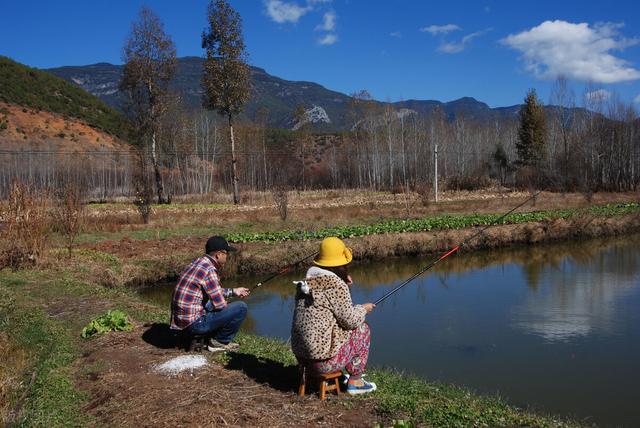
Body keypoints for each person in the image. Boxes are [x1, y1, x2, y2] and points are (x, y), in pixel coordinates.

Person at [291, 237, 377, 395]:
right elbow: (350, 321)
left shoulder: (306, 283)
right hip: (321, 365)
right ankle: (356, 382)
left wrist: (343, 282)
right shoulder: (336, 285)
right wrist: (363, 308)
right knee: (363, 329)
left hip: (302, 360)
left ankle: (333, 375)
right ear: (341, 263)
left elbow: (330, 311)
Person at [170, 235, 250, 352]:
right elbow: (220, 305)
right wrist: (226, 304)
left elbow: (211, 290)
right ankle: (219, 342)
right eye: (226, 253)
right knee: (241, 308)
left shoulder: (198, 262)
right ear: (219, 254)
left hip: (180, 321)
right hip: (194, 324)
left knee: (211, 304)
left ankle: (211, 336)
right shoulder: (210, 270)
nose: (227, 256)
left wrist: (234, 291)